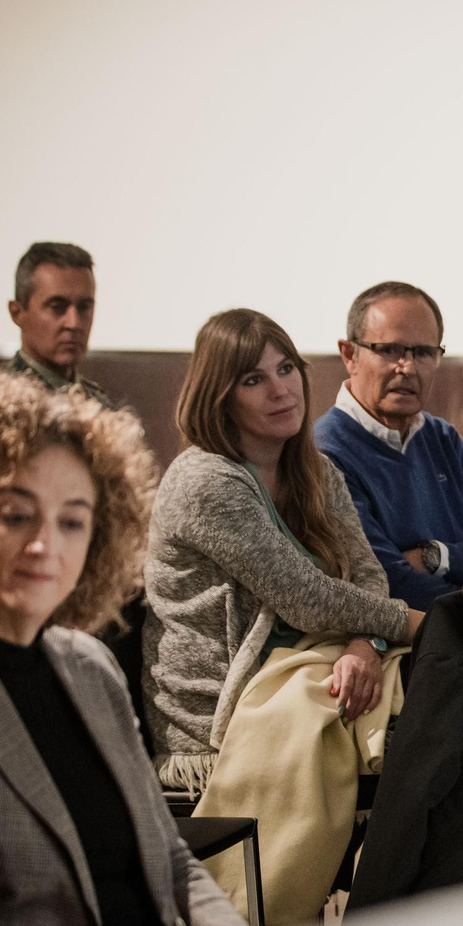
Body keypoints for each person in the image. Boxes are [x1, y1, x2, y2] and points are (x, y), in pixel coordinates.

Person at [0, 374, 257, 926]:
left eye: (73, 519)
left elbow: (165, 852)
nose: (48, 544)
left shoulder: (87, 665)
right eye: (16, 513)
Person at [144, 308, 421, 793]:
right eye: (254, 379)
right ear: (220, 397)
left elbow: (367, 574)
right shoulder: (204, 481)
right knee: (421, 732)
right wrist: (414, 622)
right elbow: (306, 599)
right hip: (221, 713)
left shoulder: (317, 469)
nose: (281, 390)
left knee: (449, 692)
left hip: (310, 666)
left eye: (286, 368)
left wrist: (366, 645)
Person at [314, 281, 463, 610]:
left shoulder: (443, 439)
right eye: (389, 350)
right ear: (349, 355)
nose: (408, 367)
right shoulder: (326, 454)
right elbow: (387, 585)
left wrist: (436, 557)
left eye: (424, 352)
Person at [1, 243, 113, 409]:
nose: (73, 323)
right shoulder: (0, 405)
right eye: (57, 307)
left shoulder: (97, 402)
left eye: (84, 307)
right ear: (17, 313)